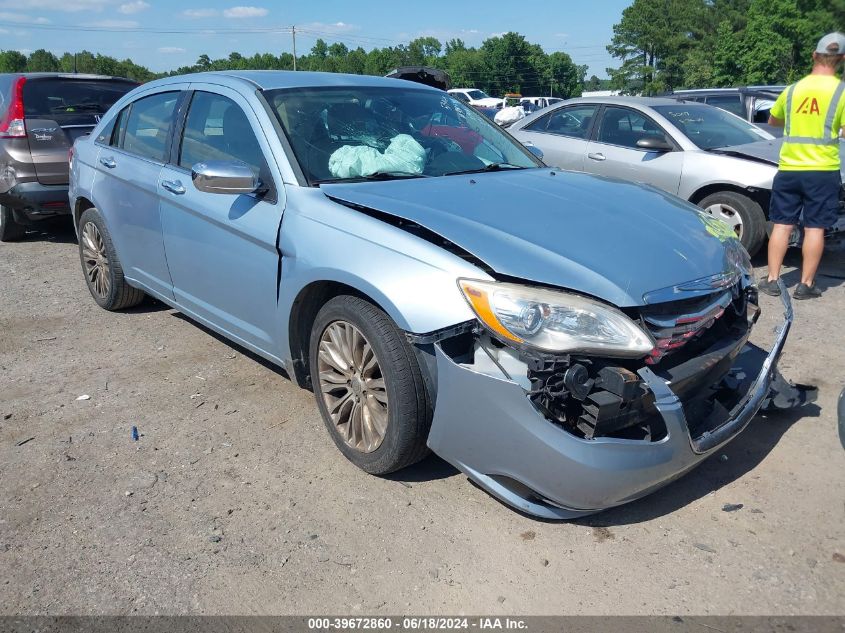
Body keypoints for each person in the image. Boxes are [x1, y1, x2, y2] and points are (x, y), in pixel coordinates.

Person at [759, 32, 845, 300]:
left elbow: (773, 121)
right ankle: (805, 285)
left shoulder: (793, 89)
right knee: (815, 228)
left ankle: (772, 280)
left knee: (782, 225)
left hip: (789, 169)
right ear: (841, 59)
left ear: (814, 56)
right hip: (822, 171)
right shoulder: (841, 91)